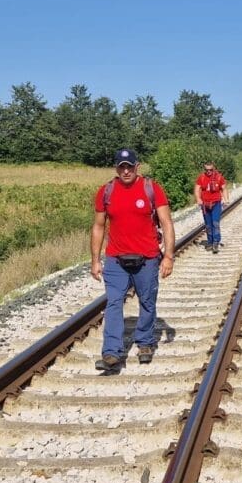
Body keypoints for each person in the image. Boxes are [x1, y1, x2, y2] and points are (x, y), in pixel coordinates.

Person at [90, 148, 176, 370]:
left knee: (147, 302)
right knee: (114, 303)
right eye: (122, 167)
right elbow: (99, 226)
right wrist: (95, 260)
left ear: (137, 166)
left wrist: (168, 256)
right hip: (116, 259)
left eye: (130, 166)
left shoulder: (152, 189)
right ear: (116, 168)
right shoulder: (106, 191)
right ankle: (111, 352)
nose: (126, 171)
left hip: (146, 258)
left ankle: (145, 342)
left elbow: (166, 222)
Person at [194, 160, 229, 253]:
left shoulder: (219, 177)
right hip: (205, 205)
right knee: (208, 225)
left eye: (210, 169)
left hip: (216, 203)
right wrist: (198, 199)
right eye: (206, 170)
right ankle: (210, 242)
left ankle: (216, 242)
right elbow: (197, 189)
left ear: (214, 168)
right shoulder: (201, 178)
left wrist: (226, 199)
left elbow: (224, 188)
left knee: (215, 223)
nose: (208, 171)